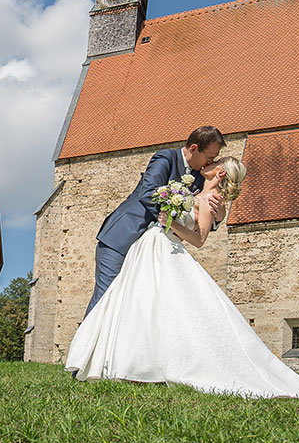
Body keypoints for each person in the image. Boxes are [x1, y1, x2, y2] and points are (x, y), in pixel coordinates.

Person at [66, 157, 299, 404]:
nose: (209, 165)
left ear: (220, 175)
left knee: (169, 312)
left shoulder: (208, 201)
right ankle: (126, 364)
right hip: (152, 249)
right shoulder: (194, 192)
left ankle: (148, 367)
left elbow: (199, 239)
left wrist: (169, 221)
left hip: (166, 248)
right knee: (139, 306)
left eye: (215, 165)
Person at [86, 126, 226, 315]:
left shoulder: (199, 178)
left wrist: (217, 217)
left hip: (152, 249)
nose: (210, 162)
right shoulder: (165, 158)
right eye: (209, 157)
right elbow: (149, 193)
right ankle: (84, 345)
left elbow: (197, 213)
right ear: (193, 148)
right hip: (121, 239)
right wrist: (172, 220)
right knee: (106, 300)